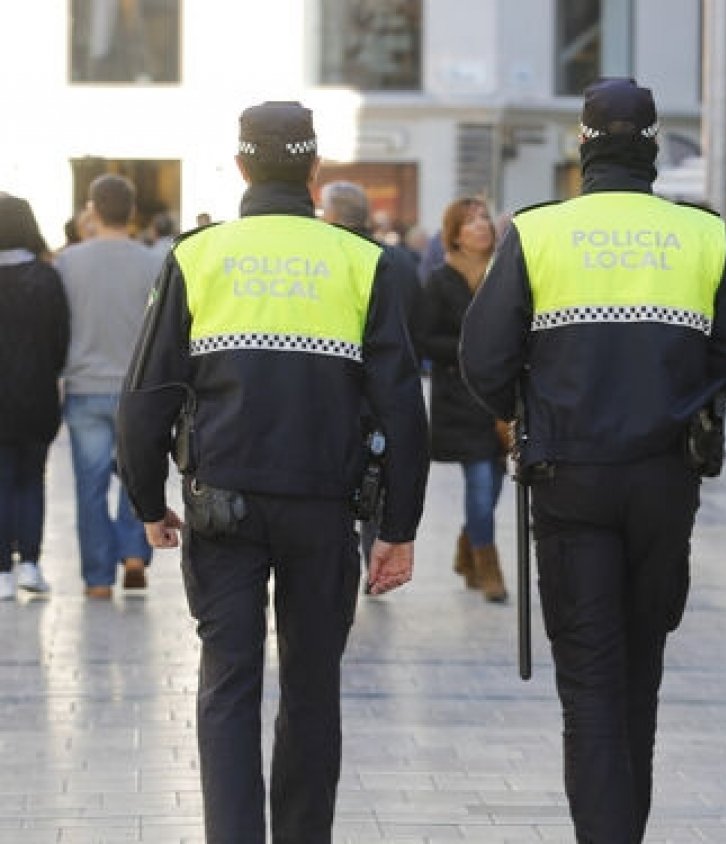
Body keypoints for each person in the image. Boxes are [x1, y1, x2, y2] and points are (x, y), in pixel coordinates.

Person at [116, 101, 430, 843]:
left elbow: (147, 394)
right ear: (315, 169)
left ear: (241, 167)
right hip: (325, 510)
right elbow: (401, 408)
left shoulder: (199, 256)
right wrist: (399, 528)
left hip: (221, 504)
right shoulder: (363, 262)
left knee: (228, 683)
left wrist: (146, 498)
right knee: (313, 689)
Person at [460, 78, 726, 843]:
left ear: (583, 148)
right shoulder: (701, 234)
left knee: (590, 684)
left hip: (569, 478)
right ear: (654, 147)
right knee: (639, 679)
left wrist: (529, 403)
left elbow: (483, 359)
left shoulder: (539, 232)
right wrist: (688, 399)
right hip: (666, 480)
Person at [54, 174, 163, 599]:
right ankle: (135, 554)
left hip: (83, 385)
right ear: (133, 211)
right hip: (137, 387)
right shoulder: (153, 261)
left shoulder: (69, 261)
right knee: (136, 477)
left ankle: (98, 578)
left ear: (92, 210)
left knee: (90, 486)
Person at [319, 180, 425, 580]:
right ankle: (373, 560)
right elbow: (419, 321)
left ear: (331, 215)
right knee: (380, 475)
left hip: (344, 391)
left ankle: (352, 560)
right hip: (393, 386)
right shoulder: (399, 260)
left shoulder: (335, 258)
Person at [416, 196, 510, 602]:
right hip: (459, 396)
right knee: (480, 480)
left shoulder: (505, 275)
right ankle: (488, 567)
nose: (482, 226)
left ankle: (467, 545)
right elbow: (425, 338)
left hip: (502, 399)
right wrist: (472, 348)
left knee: (497, 481)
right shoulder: (439, 280)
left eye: (485, 219)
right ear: (454, 234)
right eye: (471, 222)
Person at [0, 195, 70, 600]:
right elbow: (61, 341)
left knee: (2, 480)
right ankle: (29, 562)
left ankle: (2, 573)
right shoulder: (46, 278)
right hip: (37, 396)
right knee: (31, 480)